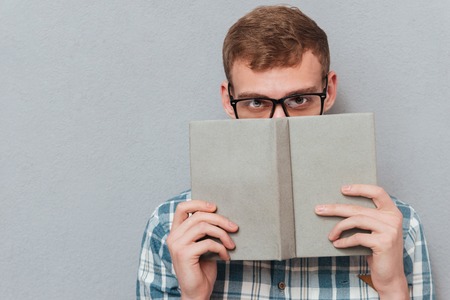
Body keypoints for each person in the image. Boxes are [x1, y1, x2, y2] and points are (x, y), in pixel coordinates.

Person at [137, 5, 433, 299]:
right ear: (228, 102)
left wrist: (392, 287)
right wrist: (194, 296)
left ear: (328, 92)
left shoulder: (399, 230)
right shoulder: (170, 231)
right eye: (256, 103)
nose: (279, 122)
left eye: (300, 99)